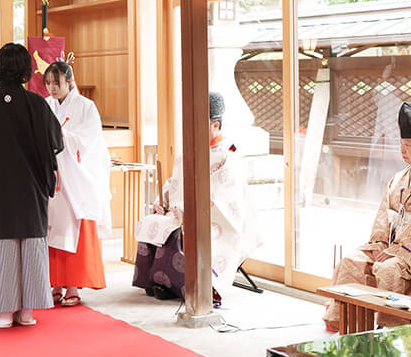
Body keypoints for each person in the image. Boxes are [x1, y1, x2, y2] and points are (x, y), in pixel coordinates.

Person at [321, 102, 411, 331]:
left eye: (408, 145)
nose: (402, 150)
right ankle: (348, 323)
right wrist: (378, 244)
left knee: (388, 269)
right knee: (352, 261)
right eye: (401, 144)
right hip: (391, 247)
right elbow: (383, 216)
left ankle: (391, 327)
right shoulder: (398, 179)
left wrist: (396, 250)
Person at [0, 43, 63, 328]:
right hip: (30, 185)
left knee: (2, 243)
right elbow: (55, 143)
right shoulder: (37, 104)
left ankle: (4, 312)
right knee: (31, 242)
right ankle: (26, 312)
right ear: (26, 70)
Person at [132, 91, 261, 302]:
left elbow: (223, 195)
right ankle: (158, 280)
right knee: (152, 221)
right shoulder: (187, 151)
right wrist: (161, 202)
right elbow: (173, 183)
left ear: (215, 125)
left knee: (180, 231)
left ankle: (191, 284)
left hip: (213, 217)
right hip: (182, 210)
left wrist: (186, 210)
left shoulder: (227, 155)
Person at [43, 61, 111, 306]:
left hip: (76, 176)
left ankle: (73, 286)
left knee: (74, 228)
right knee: (52, 229)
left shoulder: (86, 107)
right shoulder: (46, 105)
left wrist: (61, 138)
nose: (51, 88)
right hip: (54, 174)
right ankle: (54, 283)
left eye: (56, 83)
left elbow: (90, 141)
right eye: (48, 83)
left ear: (69, 82)